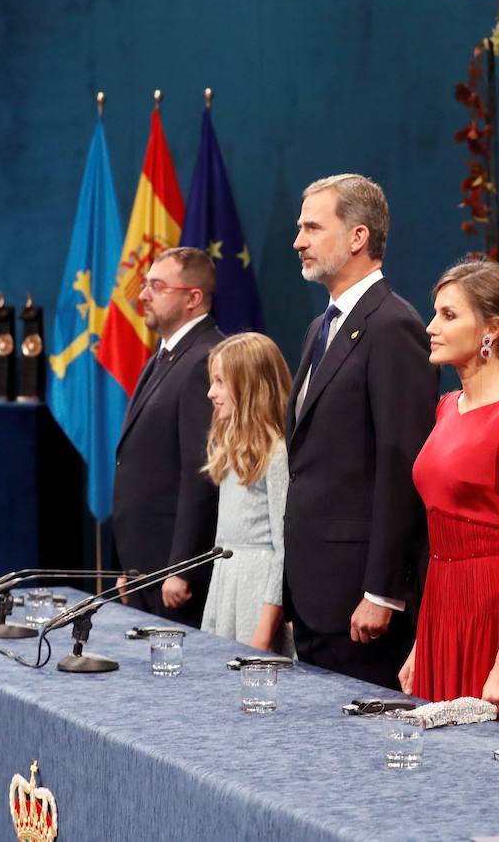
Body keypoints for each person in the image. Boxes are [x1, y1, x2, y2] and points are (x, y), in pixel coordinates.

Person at [398, 258, 499, 737]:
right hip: (442, 610)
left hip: (495, 616)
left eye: (449, 315)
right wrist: (420, 646)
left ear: (491, 329)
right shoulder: (446, 407)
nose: (431, 327)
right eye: (435, 313)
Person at [283, 173, 438, 689]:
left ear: (358, 237)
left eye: (312, 227)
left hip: (359, 601)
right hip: (314, 591)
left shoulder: (393, 326)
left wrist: (383, 591)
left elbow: (402, 465)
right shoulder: (320, 327)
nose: (298, 241)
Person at [112, 247, 225, 627]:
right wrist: (132, 566)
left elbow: (202, 473)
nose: (142, 295)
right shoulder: (165, 356)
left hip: (174, 576)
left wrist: (182, 567)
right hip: (147, 567)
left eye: (156, 286)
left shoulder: (205, 359)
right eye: (145, 285)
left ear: (193, 298)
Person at [198, 332, 295, 655]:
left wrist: (264, 632)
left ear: (251, 385)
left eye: (220, 382)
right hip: (227, 581)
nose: (211, 393)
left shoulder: (277, 453)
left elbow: (283, 549)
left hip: (257, 591)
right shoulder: (232, 448)